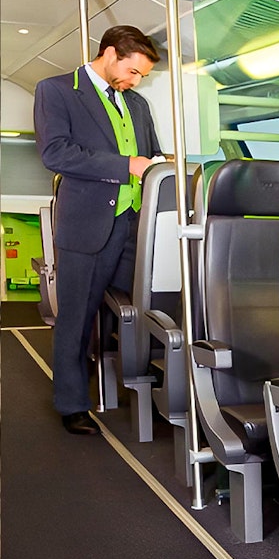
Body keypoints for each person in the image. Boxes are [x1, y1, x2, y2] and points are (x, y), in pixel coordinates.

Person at [34, 25, 163, 435]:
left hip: (133, 226)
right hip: (86, 225)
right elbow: (56, 152)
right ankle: (71, 403)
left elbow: (151, 153)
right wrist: (126, 165)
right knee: (77, 318)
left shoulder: (137, 105)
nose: (136, 81)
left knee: (148, 311)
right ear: (109, 53)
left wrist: (161, 161)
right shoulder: (56, 90)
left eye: (142, 75)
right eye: (133, 71)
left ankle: (154, 392)